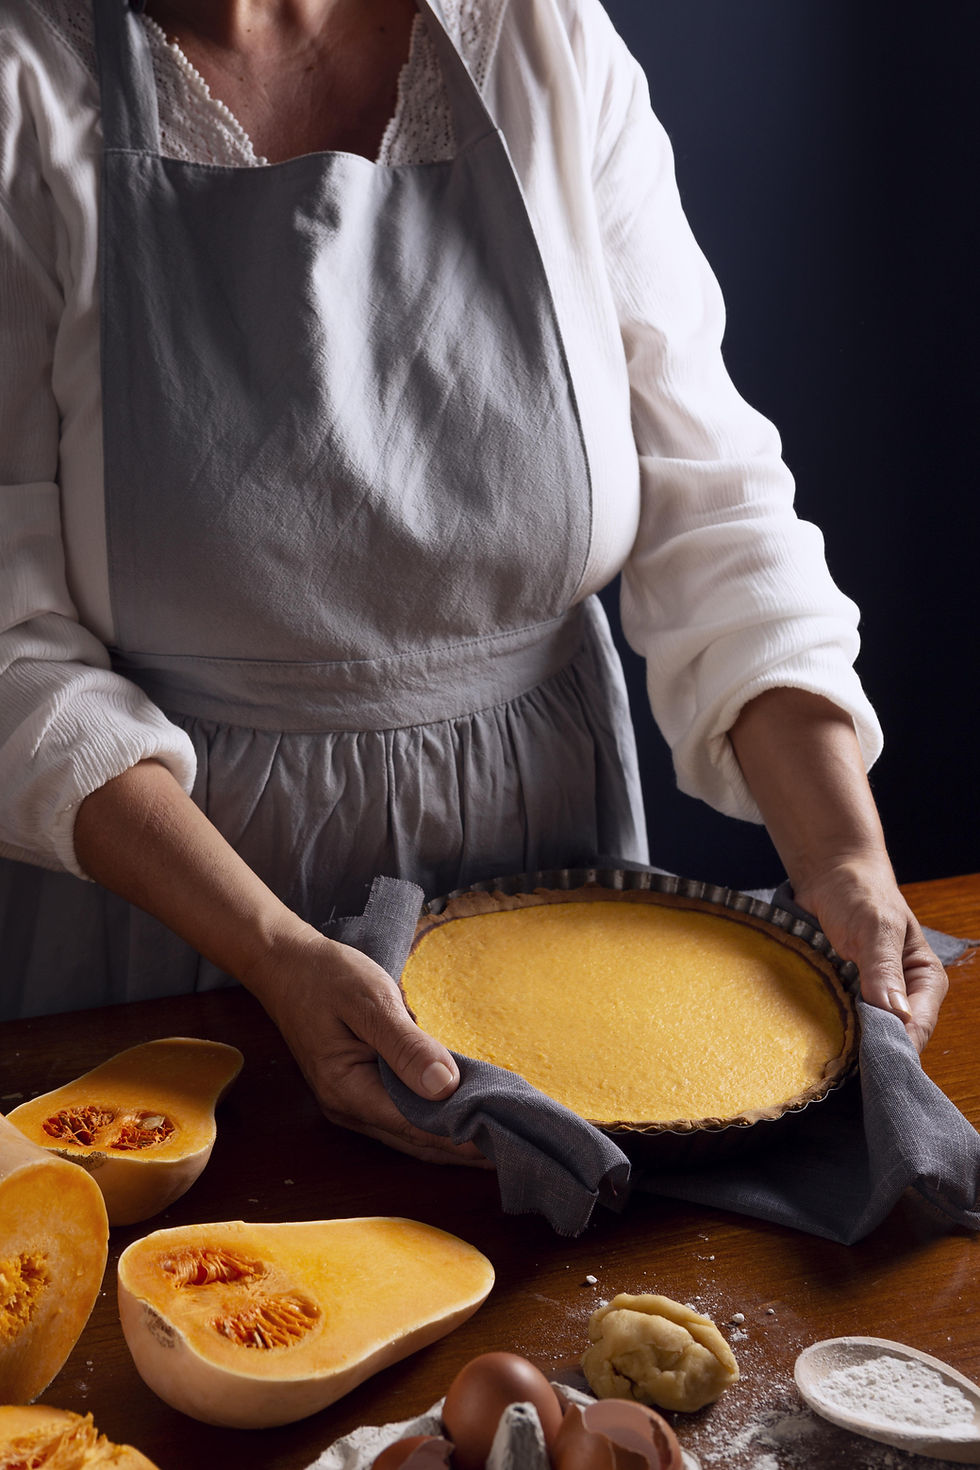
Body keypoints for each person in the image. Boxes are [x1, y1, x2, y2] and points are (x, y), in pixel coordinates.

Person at [0, 0, 947, 1165]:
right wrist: (272, 949)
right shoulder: (22, 88)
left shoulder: (542, 40)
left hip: (551, 885)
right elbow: (15, 651)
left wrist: (842, 861)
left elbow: (714, 507)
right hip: (179, 925)